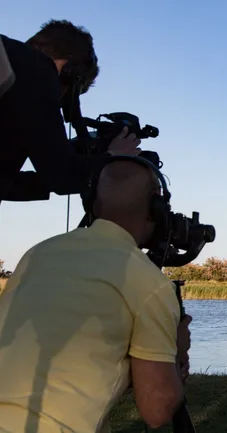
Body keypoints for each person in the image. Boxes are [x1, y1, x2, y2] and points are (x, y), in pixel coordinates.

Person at [0, 156, 191, 432]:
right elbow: (157, 409)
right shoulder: (149, 282)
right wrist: (176, 353)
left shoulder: (37, 254)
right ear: (156, 208)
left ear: (92, 202)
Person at [0, 19, 140, 205]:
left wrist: (73, 160)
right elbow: (62, 175)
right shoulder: (37, 68)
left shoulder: (10, 63)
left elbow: (8, 184)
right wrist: (113, 159)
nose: (59, 101)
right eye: (68, 93)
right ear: (69, 71)